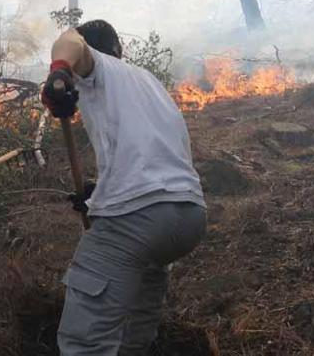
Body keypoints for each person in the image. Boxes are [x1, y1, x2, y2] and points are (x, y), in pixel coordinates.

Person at [41, 20, 207, 356]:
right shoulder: (148, 82)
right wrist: (99, 193)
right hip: (188, 215)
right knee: (136, 324)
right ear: (120, 49)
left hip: (138, 217)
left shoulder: (98, 68)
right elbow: (146, 156)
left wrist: (59, 75)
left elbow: (69, 41)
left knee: (85, 342)